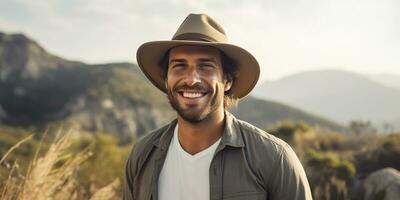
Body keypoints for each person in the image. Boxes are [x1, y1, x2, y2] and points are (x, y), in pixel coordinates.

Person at [123, 13, 312, 200]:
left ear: (227, 80)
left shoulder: (273, 158)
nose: (191, 79)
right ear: (166, 79)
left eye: (205, 66)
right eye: (179, 66)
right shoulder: (142, 155)